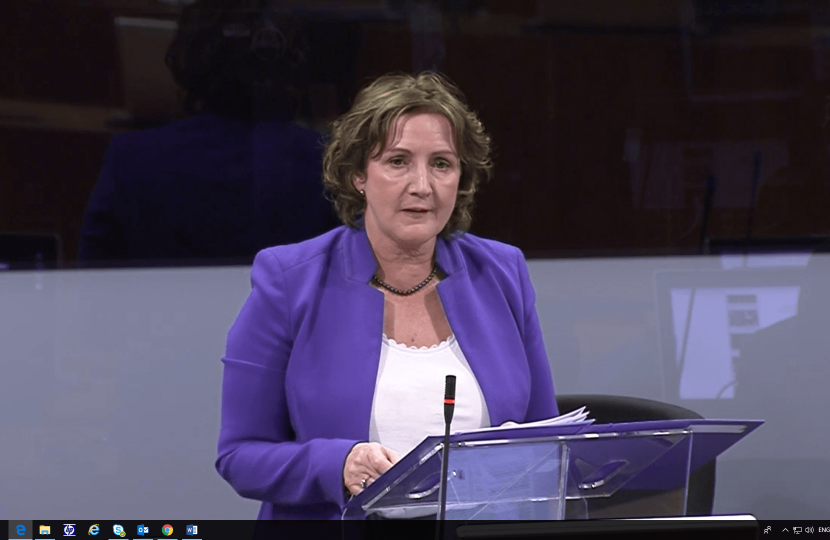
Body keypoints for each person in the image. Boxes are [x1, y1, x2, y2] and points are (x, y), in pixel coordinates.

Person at [216, 71, 559, 520]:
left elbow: (548, 442)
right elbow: (240, 455)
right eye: (398, 161)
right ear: (358, 174)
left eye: (441, 163)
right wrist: (337, 464)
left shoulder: (501, 272)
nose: (422, 185)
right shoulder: (289, 281)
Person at [78, 0, 336, 267]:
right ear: (288, 58)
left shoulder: (132, 157)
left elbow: (93, 278)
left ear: (191, 55)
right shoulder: (325, 160)